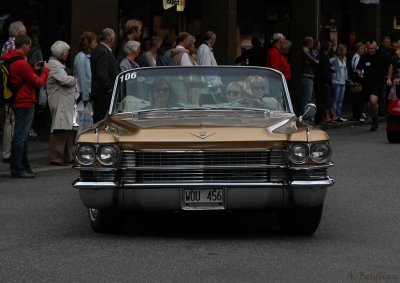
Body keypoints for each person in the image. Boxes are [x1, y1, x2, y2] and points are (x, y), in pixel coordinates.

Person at [1, 34, 49, 177]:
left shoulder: (12, 60)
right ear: (25, 45)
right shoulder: (21, 63)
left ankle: (24, 167)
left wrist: (33, 70)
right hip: (24, 101)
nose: (30, 48)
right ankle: (18, 169)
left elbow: (22, 78)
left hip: (18, 101)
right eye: (29, 45)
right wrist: (46, 70)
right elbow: (39, 83)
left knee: (21, 135)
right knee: (20, 136)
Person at [46, 40, 77, 166]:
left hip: (63, 101)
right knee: (60, 128)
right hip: (59, 101)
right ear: (61, 53)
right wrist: (74, 78)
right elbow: (65, 80)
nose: (68, 54)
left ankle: (67, 156)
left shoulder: (56, 63)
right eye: (66, 52)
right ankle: (56, 157)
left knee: (66, 128)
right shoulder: (54, 65)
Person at [1, 20, 26, 164]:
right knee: (11, 121)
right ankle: (9, 153)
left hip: (9, 88)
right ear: (19, 33)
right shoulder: (14, 44)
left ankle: (8, 152)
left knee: (9, 120)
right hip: (14, 89)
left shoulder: (7, 43)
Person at [356, 41, 388, 131]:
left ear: (376, 47)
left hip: (378, 82)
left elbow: (390, 66)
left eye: (372, 48)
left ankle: (375, 120)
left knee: (373, 100)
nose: (371, 50)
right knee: (370, 104)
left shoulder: (381, 56)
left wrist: (388, 78)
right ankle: (374, 118)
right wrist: (359, 74)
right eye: (369, 48)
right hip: (367, 82)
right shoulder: (364, 57)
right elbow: (358, 68)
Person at [90, 28, 121, 123]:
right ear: (110, 39)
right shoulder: (102, 51)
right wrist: (110, 88)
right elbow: (102, 73)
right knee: (101, 119)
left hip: (103, 92)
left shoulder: (101, 50)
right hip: (104, 93)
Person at [314, 40, 336, 124]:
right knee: (322, 101)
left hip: (320, 81)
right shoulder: (324, 56)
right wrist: (327, 80)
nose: (331, 48)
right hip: (323, 82)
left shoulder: (321, 56)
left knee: (322, 101)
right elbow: (324, 70)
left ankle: (320, 118)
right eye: (330, 46)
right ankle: (319, 118)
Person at [74, 31, 98, 105]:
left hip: (90, 91)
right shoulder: (80, 57)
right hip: (84, 93)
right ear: (88, 43)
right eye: (94, 42)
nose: (97, 44)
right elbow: (82, 78)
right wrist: (85, 97)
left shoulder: (90, 56)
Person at [330, 43, 349, 122]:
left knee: (340, 100)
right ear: (341, 50)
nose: (346, 51)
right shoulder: (334, 59)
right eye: (345, 50)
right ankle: (334, 115)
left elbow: (345, 69)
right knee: (336, 99)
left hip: (342, 81)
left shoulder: (344, 58)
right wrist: (332, 70)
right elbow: (326, 64)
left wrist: (346, 78)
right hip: (336, 81)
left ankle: (338, 114)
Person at [301, 36, 319, 112]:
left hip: (310, 77)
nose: (313, 44)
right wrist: (316, 62)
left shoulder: (309, 51)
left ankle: (307, 114)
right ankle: (304, 115)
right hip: (307, 77)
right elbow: (314, 61)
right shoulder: (305, 50)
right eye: (312, 42)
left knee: (309, 97)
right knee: (307, 98)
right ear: (309, 43)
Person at [351, 42, 367, 122]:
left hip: (359, 78)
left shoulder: (360, 57)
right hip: (358, 79)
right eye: (361, 49)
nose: (362, 50)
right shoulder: (357, 57)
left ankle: (359, 114)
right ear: (357, 49)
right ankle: (358, 115)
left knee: (359, 98)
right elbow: (357, 69)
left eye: (363, 49)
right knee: (358, 98)